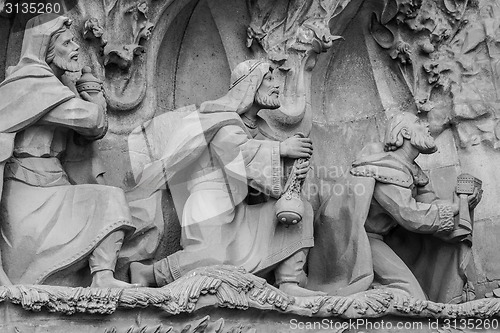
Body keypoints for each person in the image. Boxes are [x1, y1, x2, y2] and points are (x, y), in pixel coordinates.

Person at [128, 60, 324, 297]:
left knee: (301, 211)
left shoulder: (248, 126)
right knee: (211, 260)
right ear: (251, 85)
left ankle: (289, 281)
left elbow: (257, 172)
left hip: (237, 209)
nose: (276, 85)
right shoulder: (220, 118)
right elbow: (237, 154)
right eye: (269, 78)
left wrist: (291, 173)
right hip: (209, 203)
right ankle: (147, 273)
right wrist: (281, 150)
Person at [0, 14, 137, 287]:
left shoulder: (55, 86)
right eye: (67, 42)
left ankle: (103, 277)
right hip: (27, 194)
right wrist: (94, 98)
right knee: (109, 199)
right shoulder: (31, 83)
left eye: (75, 41)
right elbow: (90, 121)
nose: (75, 48)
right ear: (47, 47)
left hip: (56, 185)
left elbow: (91, 132)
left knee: (110, 199)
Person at [307, 112, 481, 302]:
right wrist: (455, 208)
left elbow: (429, 204)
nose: (427, 127)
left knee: (417, 295)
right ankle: (368, 300)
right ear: (405, 132)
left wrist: (462, 201)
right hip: (356, 242)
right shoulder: (385, 166)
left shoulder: (412, 170)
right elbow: (410, 215)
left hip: (379, 241)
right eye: (419, 123)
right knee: (413, 296)